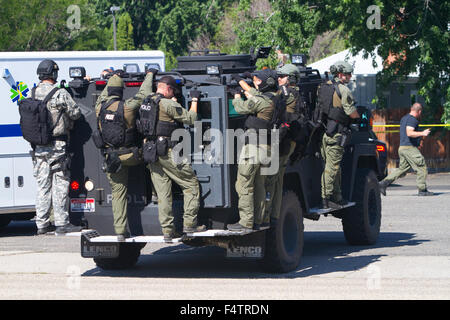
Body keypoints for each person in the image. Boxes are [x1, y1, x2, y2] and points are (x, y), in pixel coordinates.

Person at [94, 69, 156, 241]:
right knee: (153, 161)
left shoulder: (99, 108)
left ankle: (120, 231)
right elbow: (144, 93)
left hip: (111, 158)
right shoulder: (127, 107)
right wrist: (149, 74)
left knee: (118, 193)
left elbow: (104, 94)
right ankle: (156, 195)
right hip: (131, 156)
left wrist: (114, 77)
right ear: (121, 92)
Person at [144, 76, 205, 242]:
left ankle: (168, 231)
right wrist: (194, 99)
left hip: (151, 151)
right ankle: (190, 225)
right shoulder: (168, 103)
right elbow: (191, 119)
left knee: (163, 194)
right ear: (169, 89)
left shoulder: (147, 101)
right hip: (168, 151)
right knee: (191, 184)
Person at [32, 59, 82, 235]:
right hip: (57, 146)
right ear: (53, 74)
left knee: (42, 185)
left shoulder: (33, 92)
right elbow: (75, 113)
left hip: (38, 148)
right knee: (60, 183)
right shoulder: (59, 93)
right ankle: (61, 223)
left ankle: (42, 224)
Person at [229, 69, 278, 231]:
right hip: (267, 147)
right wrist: (241, 82)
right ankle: (260, 219)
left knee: (244, 184)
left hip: (254, 148)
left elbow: (241, 108)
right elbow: (254, 93)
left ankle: (246, 222)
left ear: (266, 83)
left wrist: (236, 96)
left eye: (257, 80)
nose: (255, 83)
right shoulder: (276, 98)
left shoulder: (262, 101)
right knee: (259, 185)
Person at [264, 64, 303, 224]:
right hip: (282, 140)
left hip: (284, 141)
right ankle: (273, 213)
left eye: (282, 76)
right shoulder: (286, 92)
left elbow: (284, 115)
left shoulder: (290, 94)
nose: (278, 78)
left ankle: (271, 214)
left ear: (291, 79)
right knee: (276, 179)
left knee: (273, 178)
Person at [319, 61, 360, 209]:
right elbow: (351, 112)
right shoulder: (344, 90)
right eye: (348, 74)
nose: (350, 76)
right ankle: (326, 197)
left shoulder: (324, 87)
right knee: (332, 167)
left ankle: (337, 196)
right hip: (337, 132)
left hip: (325, 131)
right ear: (341, 74)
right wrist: (358, 116)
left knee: (334, 167)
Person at [379, 103, 433, 196]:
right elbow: (409, 133)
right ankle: (422, 190)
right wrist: (422, 133)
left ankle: (383, 184)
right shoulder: (413, 120)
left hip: (403, 147)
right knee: (421, 166)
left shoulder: (404, 118)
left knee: (402, 169)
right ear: (419, 111)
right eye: (421, 112)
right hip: (409, 148)